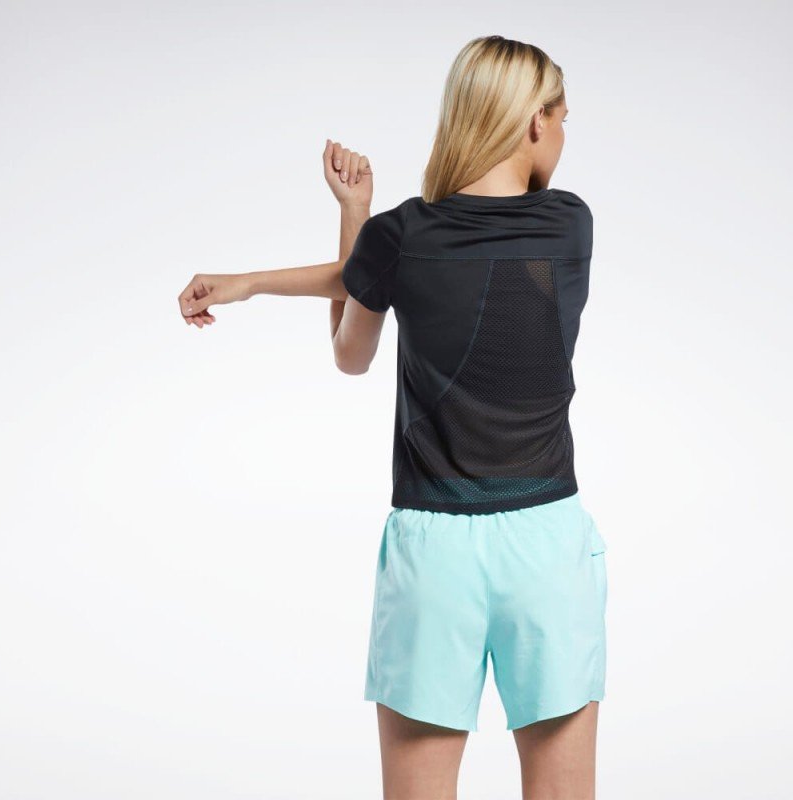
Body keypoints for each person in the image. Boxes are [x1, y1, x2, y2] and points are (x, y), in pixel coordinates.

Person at [178, 34, 608, 800]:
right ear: (535, 121)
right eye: (564, 118)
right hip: (547, 545)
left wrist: (338, 227)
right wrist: (266, 276)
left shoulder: (400, 237)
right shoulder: (569, 225)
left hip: (435, 554)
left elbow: (352, 349)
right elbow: (412, 266)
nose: (564, 135)